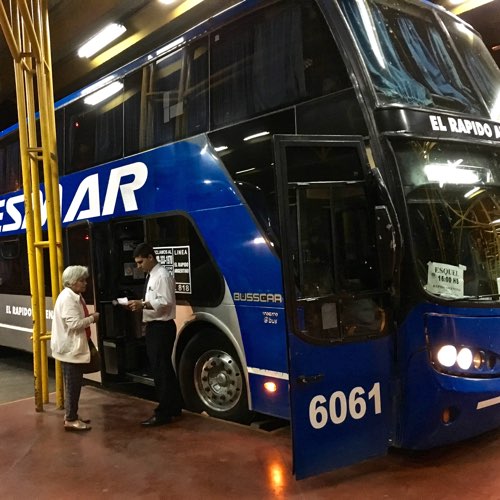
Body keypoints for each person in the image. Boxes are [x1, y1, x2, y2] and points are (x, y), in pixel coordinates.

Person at [127, 243, 183, 427]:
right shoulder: (153, 275)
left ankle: (164, 412)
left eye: (141, 262)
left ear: (151, 257)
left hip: (162, 327)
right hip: (156, 326)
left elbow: (165, 302)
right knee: (164, 368)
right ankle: (174, 406)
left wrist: (143, 305)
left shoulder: (162, 276)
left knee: (160, 370)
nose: (139, 266)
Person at [50, 265, 100, 431]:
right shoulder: (68, 299)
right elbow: (74, 324)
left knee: (73, 384)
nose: (85, 283)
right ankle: (71, 419)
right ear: (71, 282)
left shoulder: (75, 296)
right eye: (81, 280)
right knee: (73, 385)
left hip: (73, 348)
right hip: (70, 350)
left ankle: (71, 415)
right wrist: (92, 318)